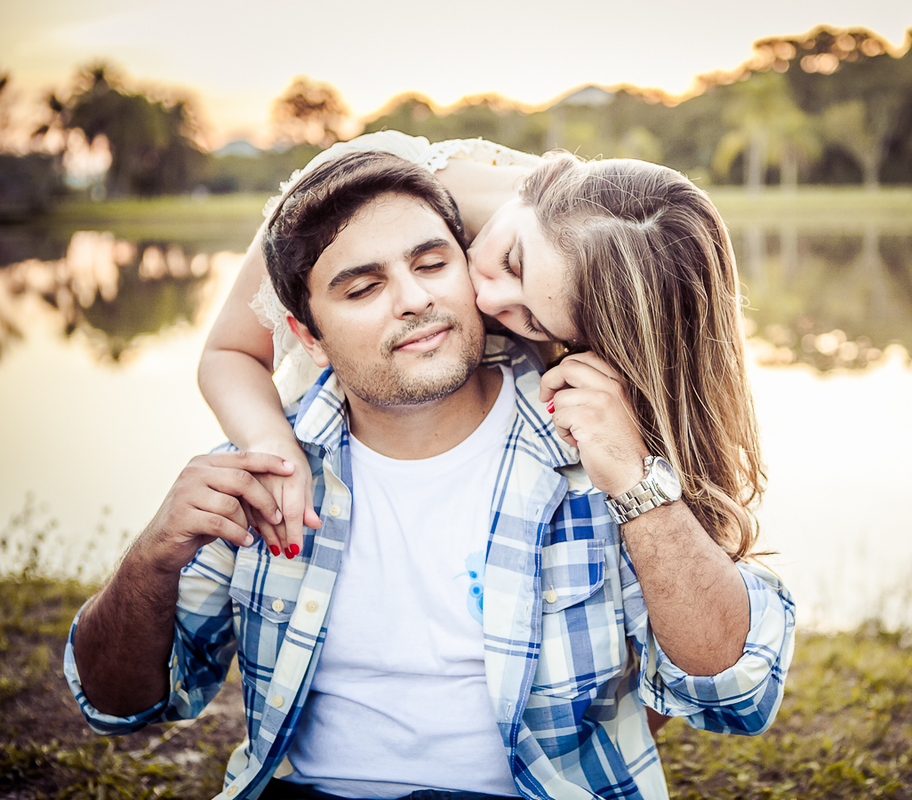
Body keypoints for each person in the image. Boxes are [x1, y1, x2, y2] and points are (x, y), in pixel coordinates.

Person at [65, 151, 795, 800]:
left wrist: (640, 489)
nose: (413, 299)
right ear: (305, 334)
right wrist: (153, 552)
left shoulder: (602, 449)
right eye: (361, 289)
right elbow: (116, 704)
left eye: (433, 264)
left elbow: (735, 696)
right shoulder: (264, 470)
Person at [199, 132, 765, 579]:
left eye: (534, 321)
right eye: (513, 262)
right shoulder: (365, 186)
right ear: (532, 185)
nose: (488, 298)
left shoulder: (602, 283)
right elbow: (228, 353)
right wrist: (278, 449)